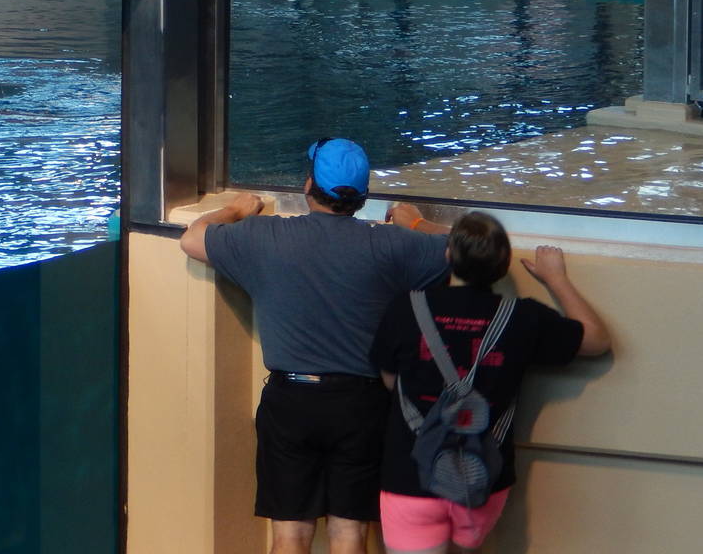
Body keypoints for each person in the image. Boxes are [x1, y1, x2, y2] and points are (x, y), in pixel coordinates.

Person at [180, 139, 450, 554]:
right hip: (362, 405)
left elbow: (192, 239)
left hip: (291, 401)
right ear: (362, 197)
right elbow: (469, 247)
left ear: (309, 185)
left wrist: (236, 209)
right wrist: (413, 223)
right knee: (350, 534)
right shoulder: (392, 246)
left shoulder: (265, 237)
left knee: (290, 535)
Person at [371, 210, 611, 554]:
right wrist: (556, 279)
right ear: (503, 265)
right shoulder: (524, 317)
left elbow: (390, 380)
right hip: (481, 476)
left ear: (449, 255)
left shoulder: (407, 308)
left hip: (409, 473)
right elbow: (598, 341)